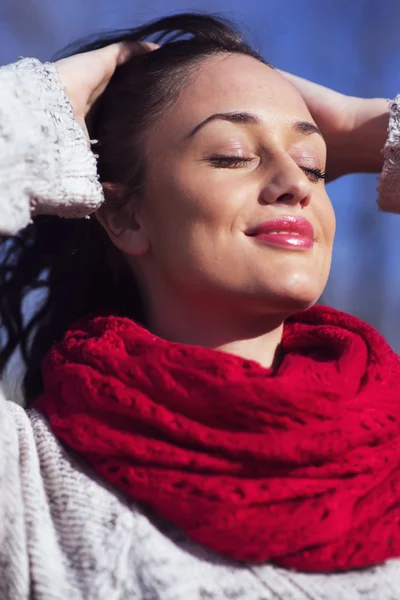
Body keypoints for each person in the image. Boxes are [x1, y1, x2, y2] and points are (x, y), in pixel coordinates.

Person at [0, 12, 399, 600]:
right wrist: (44, 104)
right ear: (126, 216)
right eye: (233, 155)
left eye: (314, 162)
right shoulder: (27, 477)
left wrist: (370, 127)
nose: (296, 181)